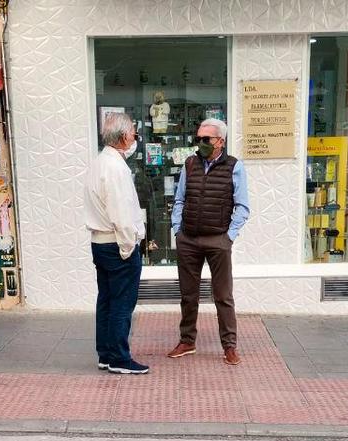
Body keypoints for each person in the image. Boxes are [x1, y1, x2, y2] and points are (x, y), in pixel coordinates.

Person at [167, 117, 250, 366]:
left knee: (223, 296)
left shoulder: (234, 166)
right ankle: (187, 341)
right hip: (189, 240)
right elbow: (179, 199)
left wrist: (229, 237)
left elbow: (243, 207)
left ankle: (229, 346)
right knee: (188, 295)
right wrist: (177, 230)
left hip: (218, 240)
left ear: (220, 141)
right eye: (199, 138)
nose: (201, 143)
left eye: (206, 139)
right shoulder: (190, 164)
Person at [85, 111, 149, 374]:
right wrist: (128, 247)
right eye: (133, 131)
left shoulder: (100, 162)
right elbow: (121, 212)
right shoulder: (115, 167)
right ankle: (120, 359)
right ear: (124, 137)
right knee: (122, 302)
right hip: (116, 244)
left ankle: (106, 354)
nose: (135, 136)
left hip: (100, 243)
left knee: (107, 300)